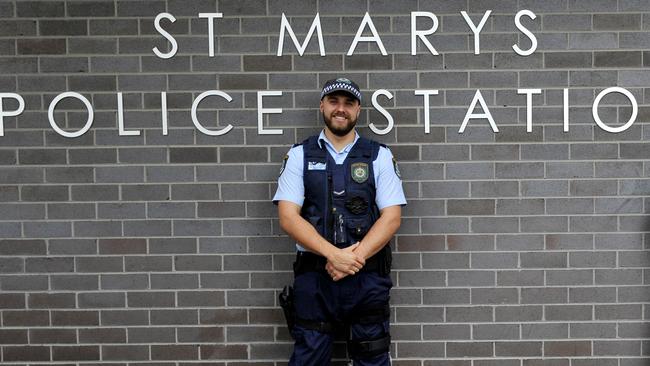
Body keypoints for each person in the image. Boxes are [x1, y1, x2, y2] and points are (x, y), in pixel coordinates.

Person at [273, 78, 406, 365]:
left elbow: (392, 218)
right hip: (316, 278)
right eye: (334, 102)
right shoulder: (299, 155)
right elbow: (287, 216)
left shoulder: (379, 156)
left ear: (358, 110)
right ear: (322, 106)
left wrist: (352, 259)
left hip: (367, 278)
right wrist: (334, 255)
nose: (340, 109)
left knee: (372, 358)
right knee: (308, 358)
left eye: (348, 103)